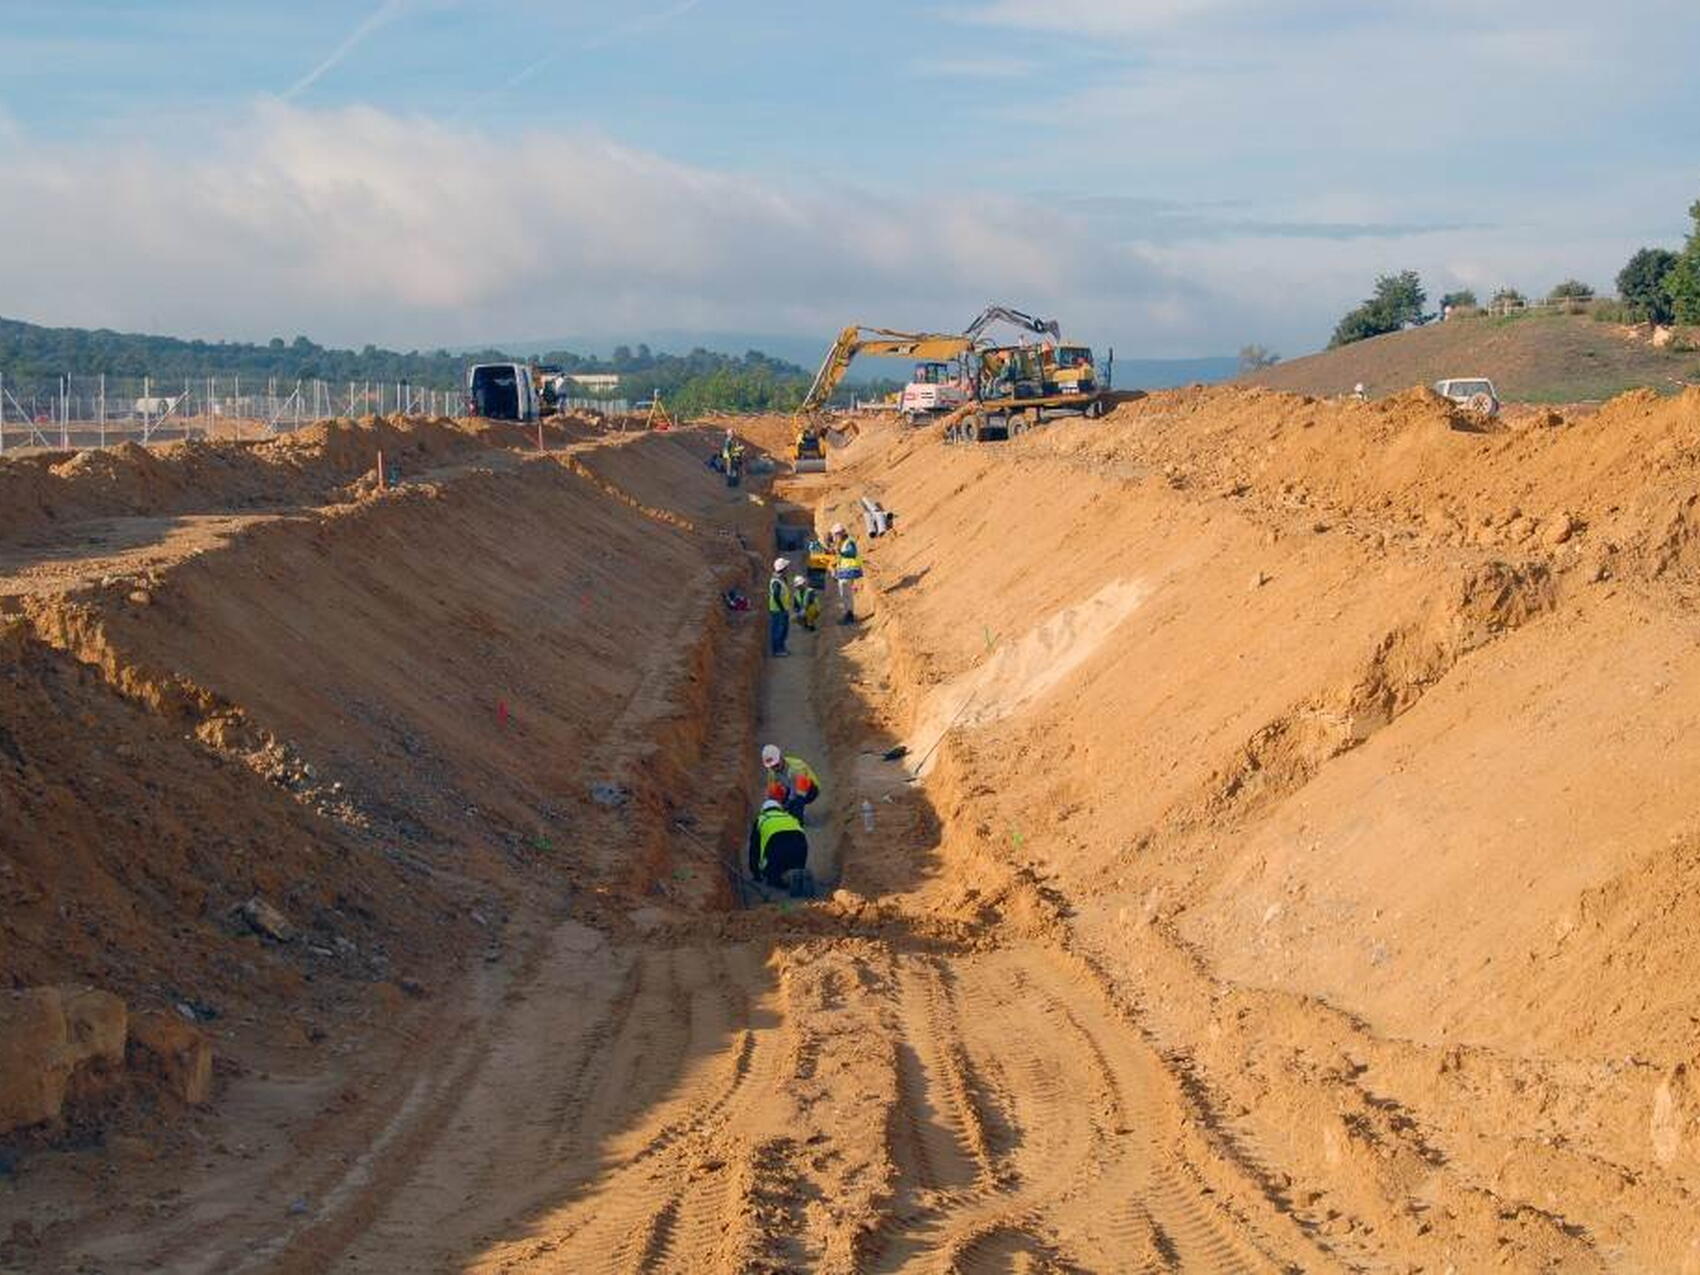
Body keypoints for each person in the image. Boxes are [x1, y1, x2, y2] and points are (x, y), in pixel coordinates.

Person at [748, 799, 808, 889]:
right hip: (800, 845)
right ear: (779, 808)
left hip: (777, 847)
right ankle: (797, 875)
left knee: (772, 878)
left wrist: (756, 874)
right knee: (796, 867)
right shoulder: (789, 816)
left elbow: (754, 849)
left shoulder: (761, 819)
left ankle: (778, 880)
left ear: (763, 810)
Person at [761, 744, 820, 822]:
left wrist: (788, 805)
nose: (775, 768)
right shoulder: (772, 772)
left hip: (809, 790)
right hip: (790, 789)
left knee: (797, 800)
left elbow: (796, 792)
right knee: (774, 789)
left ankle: (798, 820)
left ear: (781, 758)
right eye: (772, 767)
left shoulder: (796, 767)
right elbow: (770, 793)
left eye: (776, 765)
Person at [830, 523, 863, 624]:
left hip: (849, 572)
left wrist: (840, 552)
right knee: (846, 595)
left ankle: (849, 616)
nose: (835, 537)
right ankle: (849, 614)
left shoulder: (849, 542)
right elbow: (840, 559)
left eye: (836, 535)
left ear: (840, 533)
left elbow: (851, 553)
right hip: (844, 572)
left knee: (845, 594)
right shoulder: (842, 543)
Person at [767, 557, 792, 656]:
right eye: (787, 567)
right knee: (778, 630)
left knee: (783, 630)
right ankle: (777, 650)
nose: (788, 569)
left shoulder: (781, 579)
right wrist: (782, 608)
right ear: (783, 568)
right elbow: (776, 596)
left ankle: (781, 648)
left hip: (782, 609)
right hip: (778, 610)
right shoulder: (776, 582)